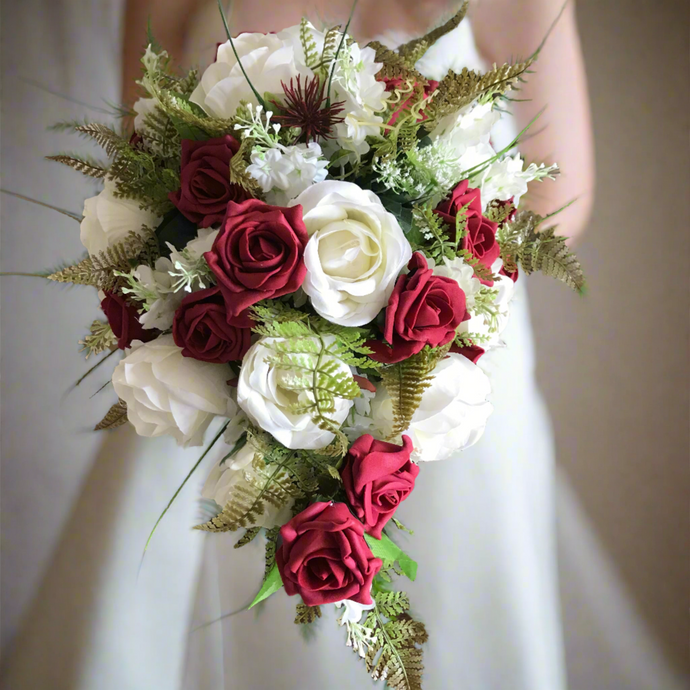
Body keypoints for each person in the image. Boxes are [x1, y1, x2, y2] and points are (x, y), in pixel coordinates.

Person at [121, 1, 594, 688]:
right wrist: (262, 298)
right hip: (216, 358)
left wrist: (402, 297)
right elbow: (144, 172)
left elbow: (562, 195)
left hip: (440, 367)